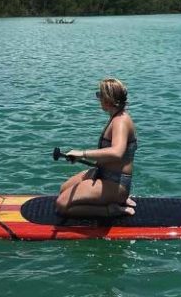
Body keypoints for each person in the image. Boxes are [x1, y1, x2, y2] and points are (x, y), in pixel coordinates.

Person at [55, 78, 138, 217]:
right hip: (102, 173)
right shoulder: (115, 116)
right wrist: (78, 157)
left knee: (61, 205)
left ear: (108, 99)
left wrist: (82, 153)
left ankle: (112, 209)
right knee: (63, 190)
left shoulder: (121, 121)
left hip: (116, 183)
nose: (98, 98)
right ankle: (107, 199)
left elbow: (117, 152)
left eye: (100, 95)